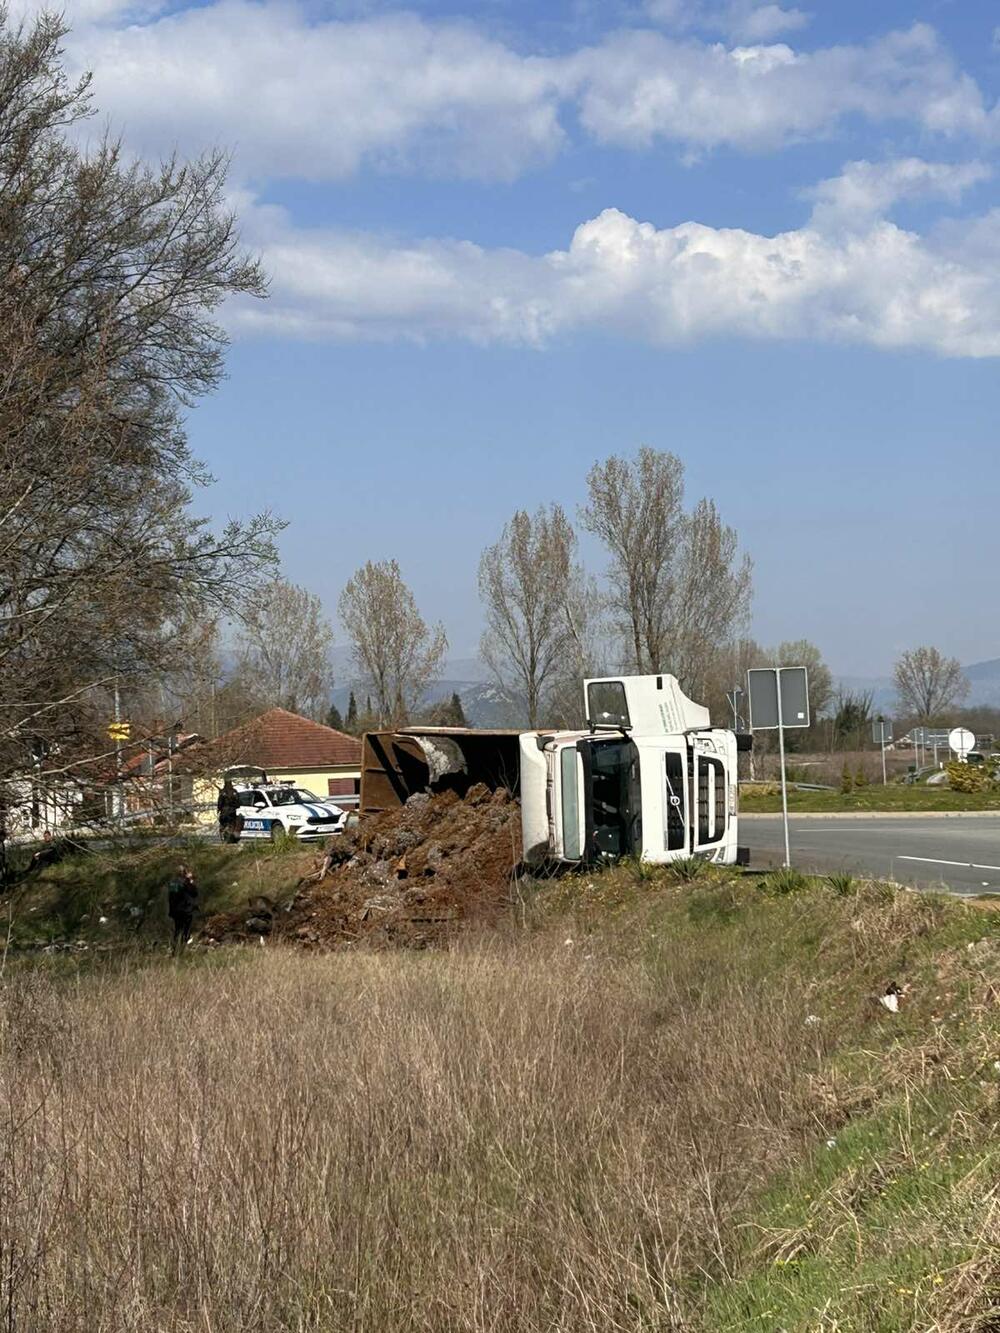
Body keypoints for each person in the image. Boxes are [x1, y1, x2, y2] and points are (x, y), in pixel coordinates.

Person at [167, 864, 198, 954]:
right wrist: (191, 881)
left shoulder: (172, 882)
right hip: (185, 910)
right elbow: (194, 893)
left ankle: (175, 949)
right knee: (186, 931)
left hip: (175, 911)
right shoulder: (186, 882)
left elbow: (171, 897)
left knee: (177, 930)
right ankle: (182, 950)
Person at [217, 779, 241, 843]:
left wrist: (218, 810)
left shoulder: (222, 792)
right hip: (232, 812)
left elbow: (220, 803)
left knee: (224, 825)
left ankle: (225, 836)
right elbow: (238, 803)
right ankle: (228, 836)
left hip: (224, 812)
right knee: (231, 825)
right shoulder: (234, 791)